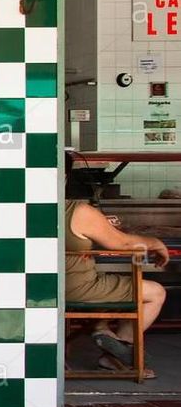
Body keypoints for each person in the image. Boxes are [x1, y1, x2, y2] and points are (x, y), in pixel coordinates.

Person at [65, 157, 169, 377]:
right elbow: (124, 244)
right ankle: (117, 350)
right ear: (64, 178)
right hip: (76, 288)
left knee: (112, 285)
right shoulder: (77, 211)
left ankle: (101, 328)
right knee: (155, 292)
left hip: (36, 287)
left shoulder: (15, 208)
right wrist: (155, 243)